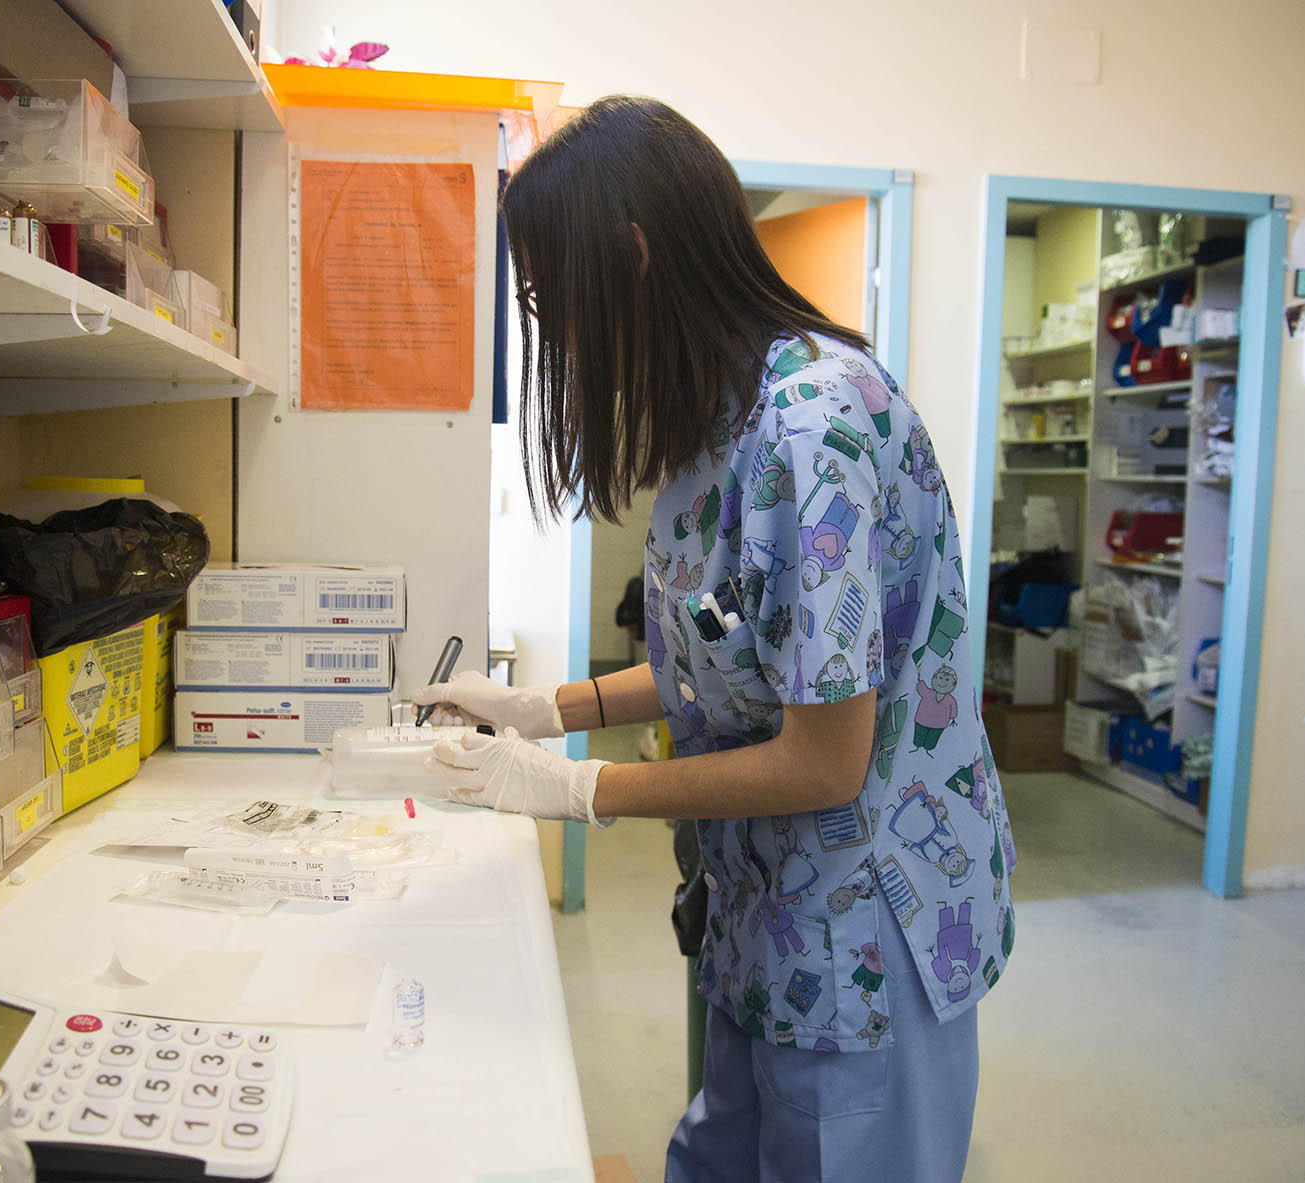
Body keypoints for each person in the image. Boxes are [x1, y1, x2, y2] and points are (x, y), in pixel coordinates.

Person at [414, 95, 1016, 1183]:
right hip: (766, 920)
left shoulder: (807, 427)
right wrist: (551, 708)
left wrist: (578, 790)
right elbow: (727, 651)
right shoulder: (720, 423)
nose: (549, 329)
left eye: (553, 297)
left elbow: (820, 756)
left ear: (634, 258)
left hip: (858, 937)